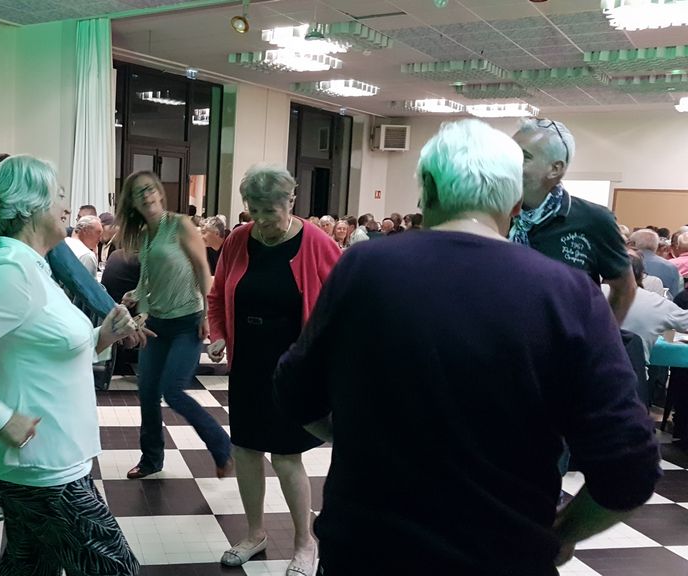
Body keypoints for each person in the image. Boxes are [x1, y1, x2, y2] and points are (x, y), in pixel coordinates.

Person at [274, 119, 660, 575]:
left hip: (368, 551)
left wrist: (354, 437)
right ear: (514, 202)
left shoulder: (365, 268)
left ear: (428, 190)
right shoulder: (567, 291)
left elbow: (294, 391)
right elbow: (630, 466)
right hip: (504, 556)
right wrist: (562, 533)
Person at [0, 155, 141, 576]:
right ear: (28, 206)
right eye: (57, 195)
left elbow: (42, 346)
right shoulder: (14, 274)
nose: (65, 205)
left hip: (43, 462)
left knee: (30, 566)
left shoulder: (32, 268)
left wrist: (103, 336)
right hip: (42, 468)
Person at [207, 164, 341, 576]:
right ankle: (255, 533)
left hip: (293, 369)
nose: (262, 220)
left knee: (285, 456)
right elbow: (217, 295)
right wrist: (218, 334)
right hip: (248, 362)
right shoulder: (238, 239)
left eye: (270, 211)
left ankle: (305, 542)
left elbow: (343, 302)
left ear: (290, 201)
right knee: (246, 450)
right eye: (254, 210)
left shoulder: (317, 243)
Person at [117, 170, 233, 479]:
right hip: (157, 324)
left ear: (159, 192)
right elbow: (147, 281)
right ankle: (151, 459)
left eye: (149, 188)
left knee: (173, 391)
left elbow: (202, 269)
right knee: (147, 393)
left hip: (187, 323)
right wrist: (138, 306)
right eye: (138, 192)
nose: (146, 195)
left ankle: (222, 447)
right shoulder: (146, 235)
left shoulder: (180, 224)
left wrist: (206, 316)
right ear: (132, 202)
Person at [510, 118, 636, 322]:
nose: (508, 164)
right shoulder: (493, 214)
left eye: (523, 157)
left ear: (555, 169)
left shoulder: (593, 220)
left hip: (565, 338)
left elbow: (625, 288)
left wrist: (603, 335)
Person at [603, 249, 688, 403]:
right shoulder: (656, 303)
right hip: (632, 386)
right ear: (641, 274)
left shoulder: (588, 293)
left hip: (583, 378)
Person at [629, 228, 682, 298]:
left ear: (632, 244)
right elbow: (675, 296)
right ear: (656, 245)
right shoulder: (671, 267)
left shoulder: (625, 263)